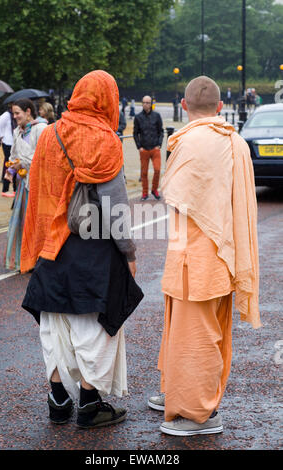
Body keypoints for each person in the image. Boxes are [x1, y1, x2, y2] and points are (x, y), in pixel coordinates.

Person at [20, 70, 143, 429]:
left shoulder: (50, 133)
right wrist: (129, 253)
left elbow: (38, 189)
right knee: (94, 326)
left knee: (54, 324)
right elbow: (115, 205)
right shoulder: (106, 140)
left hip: (51, 247)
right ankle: (90, 404)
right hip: (91, 248)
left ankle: (57, 401)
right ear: (108, 100)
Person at [148, 76, 260, 436]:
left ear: (183, 107)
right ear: (219, 107)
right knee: (206, 333)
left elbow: (175, 194)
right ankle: (179, 393)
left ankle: (198, 414)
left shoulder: (186, 142)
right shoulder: (236, 142)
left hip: (193, 258)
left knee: (194, 337)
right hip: (224, 254)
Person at [4, 99, 47, 270]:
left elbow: (41, 157)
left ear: (28, 112)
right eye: (13, 114)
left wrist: (22, 163)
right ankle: (25, 258)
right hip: (24, 184)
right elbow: (14, 154)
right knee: (23, 222)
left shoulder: (41, 129)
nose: (15, 117)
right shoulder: (17, 132)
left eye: (17, 113)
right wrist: (11, 170)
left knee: (37, 222)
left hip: (39, 184)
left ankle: (39, 258)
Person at [133, 95, 164, 201]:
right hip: (144, 149)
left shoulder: (157, 116)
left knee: (157, 169)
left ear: (151, 104)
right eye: (144, 102)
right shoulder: (138, 117)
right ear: (142, 103)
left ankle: (154, 189)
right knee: (144, 173)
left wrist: (159, 144)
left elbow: (161, 131)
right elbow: (135, 133)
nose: (146, 104)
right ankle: (144, 193)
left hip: (155, 148)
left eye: (148, 102)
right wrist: (139, 147)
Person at [0, 104, 17, 197]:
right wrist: (1, 136)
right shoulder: (6, 115)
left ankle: (14, 189)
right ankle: (5, 189)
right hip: (7, 142)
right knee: (8, 163)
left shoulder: (15, 115)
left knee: (14, 164)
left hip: (14, 141)